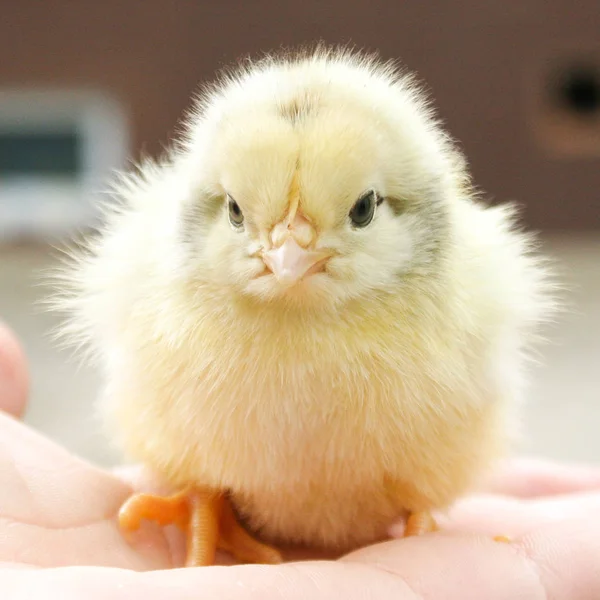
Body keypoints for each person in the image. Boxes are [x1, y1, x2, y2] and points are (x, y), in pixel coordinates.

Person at [1, 320, 600, 599]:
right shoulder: (171, 269)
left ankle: (413, 505)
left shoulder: (454, 283)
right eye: (240, 214)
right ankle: (205, 496)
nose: (288, 251)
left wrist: (422, 491)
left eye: (358, 211)